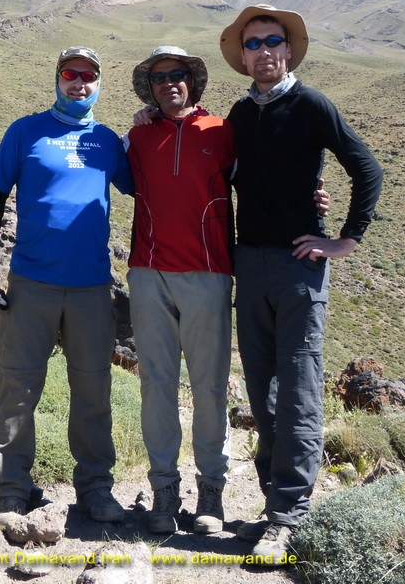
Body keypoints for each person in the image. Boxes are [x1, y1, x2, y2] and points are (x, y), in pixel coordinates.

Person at [219, 4, 383, 563]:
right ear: (243, 57)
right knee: (261, 390)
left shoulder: (311, 105)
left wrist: (345, 239)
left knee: (299, 390)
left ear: (288, 50)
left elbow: (367, 168)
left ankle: (291, 516)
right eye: (253, 43)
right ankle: (274, 506)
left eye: (272, 41)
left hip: (298, 268)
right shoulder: (240, 115)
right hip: (249, 263)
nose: (263, 51)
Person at [0, 47, 134, 520]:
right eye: (70, 73)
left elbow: (151, 189)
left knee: (93, 389)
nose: (78, 82)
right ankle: (10, 489)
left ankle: (96, 489)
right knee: (18, 386)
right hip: (32, 283)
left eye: (88, 75)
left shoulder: (108, 141)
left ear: (99, 83)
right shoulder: (25, 131)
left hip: (91, 287)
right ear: (58, 79)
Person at [124, 46, 235, 534]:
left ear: (192, 81)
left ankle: (211, 491)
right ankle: (164, 490)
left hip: (208, 273)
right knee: (156, 383)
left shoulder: (222, 131)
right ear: (149, 89)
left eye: (177, 74)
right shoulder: (137, 136)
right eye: (159, 77)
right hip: (148, 273)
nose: (169, 82)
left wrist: (313, 196)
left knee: (210, 386)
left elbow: (265, 180)